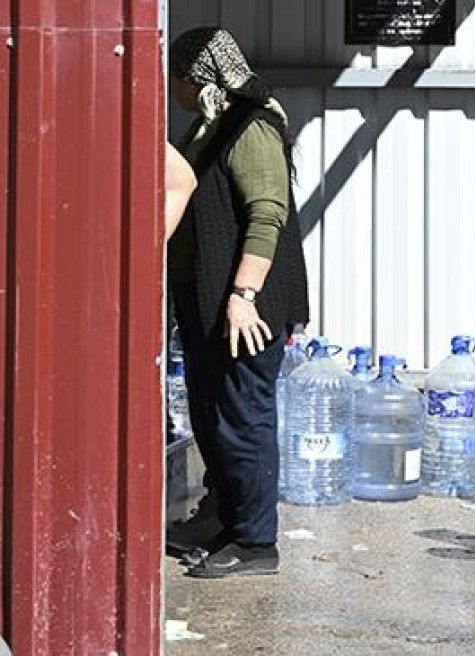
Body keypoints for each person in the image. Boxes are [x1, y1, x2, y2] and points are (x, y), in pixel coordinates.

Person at [166, 27, 309, 578]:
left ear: (192, 78)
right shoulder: (207, 128)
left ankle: (255, 543)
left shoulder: (251, 126)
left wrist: (244, 295)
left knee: (244, 419)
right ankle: (221, 518)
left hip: (246, 306)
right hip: (208, 303)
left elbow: (266, 213)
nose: (173, 88)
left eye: (176, 77)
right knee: (212, 417)